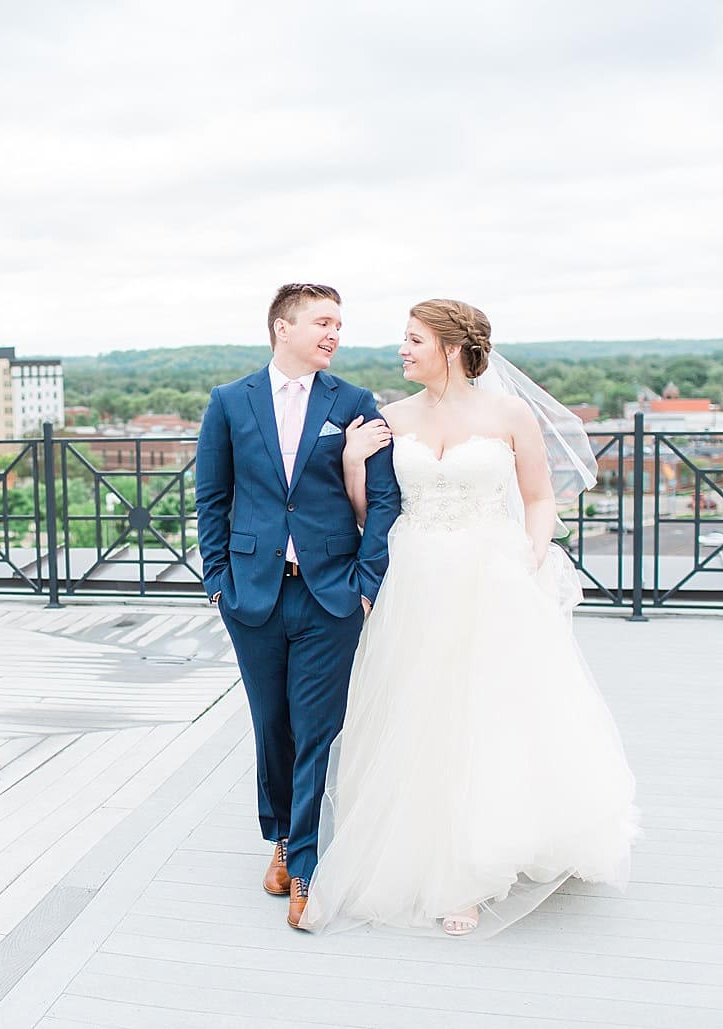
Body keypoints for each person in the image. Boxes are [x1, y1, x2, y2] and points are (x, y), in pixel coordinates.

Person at [298, 299, 639, 937]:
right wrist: (350, 461)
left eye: (413, 340)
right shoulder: (390, 417)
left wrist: (533, 556)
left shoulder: (509, 414)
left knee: (487, 717)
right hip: (416, 576)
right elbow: (368, 512)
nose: (401, 350)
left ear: (451, 348)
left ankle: (473, 874)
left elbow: (539, 498)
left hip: (492, 575)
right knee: (419, 711)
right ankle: (423, 854)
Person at [196, 283, 402, 929]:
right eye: (321, 321)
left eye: (338, 323)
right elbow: (211, 496)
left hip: (330, 591)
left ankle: (308, 866)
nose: (333, 333)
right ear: (281, 327)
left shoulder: (355, 402)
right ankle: (281, 837)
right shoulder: (230, 402)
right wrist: (216, 580)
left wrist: (366, 582)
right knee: (272, 726)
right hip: (252, 590)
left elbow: (385, 497)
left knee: (317, 729)